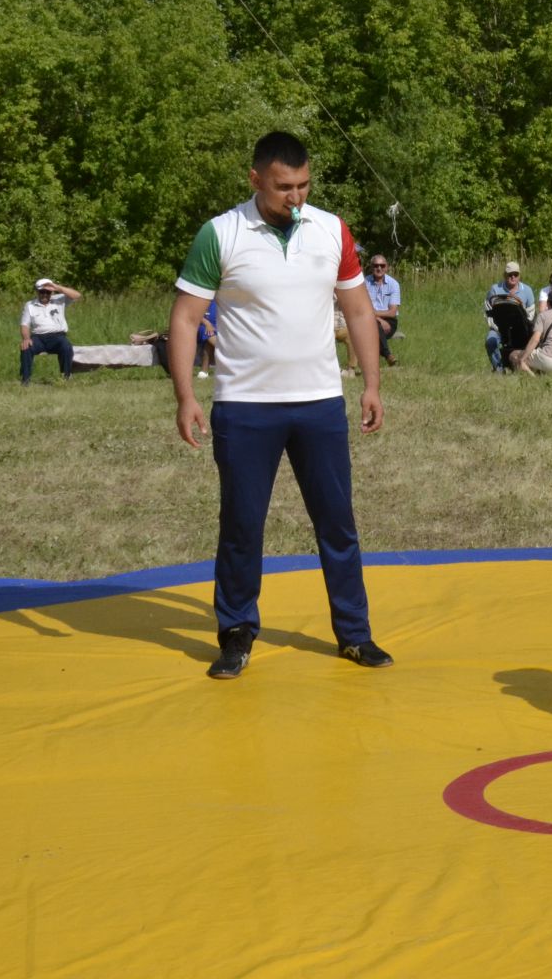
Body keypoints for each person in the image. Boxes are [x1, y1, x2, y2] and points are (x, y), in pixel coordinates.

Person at [167, 129, 394, 680]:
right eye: (283, 187)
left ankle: (354, 634)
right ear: (255, 180)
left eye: (304, 185)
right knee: (242, 524)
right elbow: (185, 318)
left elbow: (360, 311)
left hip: (318, 404)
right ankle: (237, 631)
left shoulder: (331, 229)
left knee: (337, 522)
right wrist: (185, 395)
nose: (295, 197)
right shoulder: (220, 234)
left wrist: (370, 384)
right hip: (246, 407)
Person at [16, 278, 81, 385]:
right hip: (38, 337)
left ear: (52, 292)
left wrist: (57, 287)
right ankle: (25, 380)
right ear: (37, 292)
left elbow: (77, 295)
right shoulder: (30, 305)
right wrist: (26, 338)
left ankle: (66, 378)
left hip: (58, 336)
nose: (45, 294)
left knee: (66, 346)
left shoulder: (59, 299)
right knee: (26, 347)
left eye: (48, 292)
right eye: (42, 292)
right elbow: (24, 325)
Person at [484, 262, 535, 372]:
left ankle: (526, 366)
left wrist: (524, 325)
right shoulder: (494, 289)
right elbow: (488, 311)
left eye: (515, 274)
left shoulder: (527, 290)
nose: (513, 277)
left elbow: (531, 313)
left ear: (519, 275)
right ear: (504, 275)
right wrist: (497, 328)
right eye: (510, 274)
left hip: (521, 329)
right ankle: (499, 369)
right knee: (490, 341)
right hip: (499, 328)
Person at [364, 254, 401, 367]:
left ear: (386, 267)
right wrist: (378, 319)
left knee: (373, 326)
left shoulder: (393, 284)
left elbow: (392, 312)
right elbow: (362, 308)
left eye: (382, 265)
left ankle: (371, 362)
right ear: (371, 267)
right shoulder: (364, 283)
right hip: (369, 318)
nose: (379, 268)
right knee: (374, 324)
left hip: (389, 320)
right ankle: (388, 355)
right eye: (376, 265)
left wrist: (375, 316)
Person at [195, 299, 219, 379]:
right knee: (207, 333)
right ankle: (230, 355)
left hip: (219, 327)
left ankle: (204, 371)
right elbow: (195, 313)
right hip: (203, 325)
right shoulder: (202, 297)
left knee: (208, 342)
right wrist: (207, 323)